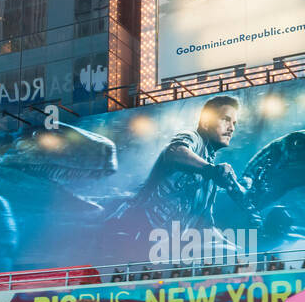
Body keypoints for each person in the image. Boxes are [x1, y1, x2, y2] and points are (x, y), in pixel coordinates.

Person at [106, 95, 251, 241]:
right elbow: (174, 152)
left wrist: (234, 250)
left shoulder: (212, 175)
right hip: (129, 231)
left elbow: (205, 224)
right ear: (206, 122)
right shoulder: (193, 138)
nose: (231, 128)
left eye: (234, 123)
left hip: (158, 246)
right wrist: (211, 170)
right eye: (225, 119)